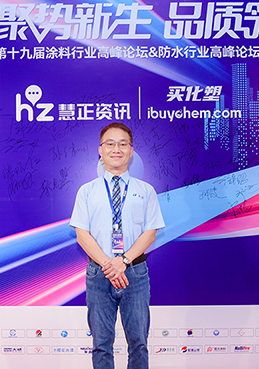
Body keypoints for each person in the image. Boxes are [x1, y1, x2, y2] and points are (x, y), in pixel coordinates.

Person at [70, 122, 165, 369]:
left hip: (135, 272)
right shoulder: (86, 191)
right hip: (99, 273)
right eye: (110, 144)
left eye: (123, 144)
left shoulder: (146, 190)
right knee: (101, 345)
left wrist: (122, 261)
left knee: (139, 344)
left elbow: (150, 233)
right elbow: (82, 234)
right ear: (100, 150)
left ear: (131, 151)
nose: (116, 149)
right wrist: (109, 265)